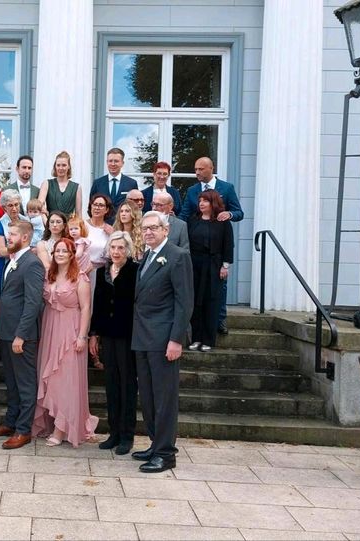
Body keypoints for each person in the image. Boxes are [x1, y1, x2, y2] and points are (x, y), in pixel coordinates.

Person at [132, 211, 194, 473]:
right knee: (148, 397)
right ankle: (156, 443)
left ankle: (166, 453)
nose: (148, 232)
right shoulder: (146, 257)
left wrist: (176, 339)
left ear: (165, 230)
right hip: (143, 338)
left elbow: (184, 302)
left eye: (154, 228)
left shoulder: (178, 257)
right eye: (144, 228)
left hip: (164, 339)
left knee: (165, 398)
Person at [0, 221, 45, 450]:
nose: (8, 237)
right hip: (8, 332)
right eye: (8, 233)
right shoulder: (13, 261)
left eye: (12, 234)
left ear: (26, 237)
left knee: (25, 383)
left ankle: (23, 430)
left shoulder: (32, 264)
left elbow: (33, 302)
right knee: (11, 382)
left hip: (22, 335)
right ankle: (10, 422)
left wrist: (21, 334)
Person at [32, 238, 98, 447]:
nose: (60, 254)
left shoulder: (80, 278)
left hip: (71, 331)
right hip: (50, 328)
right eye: (57, 251)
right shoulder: (49, 275)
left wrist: (82, 336)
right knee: (50, 378)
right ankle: (52, 423)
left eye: (64, 251)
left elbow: (86, 308)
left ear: (72, 254)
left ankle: (62, 429)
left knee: (65, 380)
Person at [178, 156, 244, 335]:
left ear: (211, 169)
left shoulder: (226, 188)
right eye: (195, 169)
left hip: (218, 246)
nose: (197, 172)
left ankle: (220, 320)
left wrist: (229, 214)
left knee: (219, 286)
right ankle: (197, 325)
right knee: (198, 287)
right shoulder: (192, 190)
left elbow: (239, 212)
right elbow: (185, 214)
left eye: (200, 169)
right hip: (197, 248)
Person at [89, 232, 139, 455]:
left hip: (127, 335)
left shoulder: (135, 271)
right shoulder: (102, 272)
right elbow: (98, 303)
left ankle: (127, 435)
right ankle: (114, 433)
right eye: (113, 248)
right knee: (111, 383)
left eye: (120, 248)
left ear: (127, 249)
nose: (116, 252)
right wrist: (94, 333)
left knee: (127, 384)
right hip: (107, 335)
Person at [187, 190, 234, 352]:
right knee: (196, 302)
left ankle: (208, 340)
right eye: (200, 200)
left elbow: (228, 245)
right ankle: (196, 339)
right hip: (195, 265)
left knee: (211, 302)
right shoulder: (193, 220)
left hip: (214, 266)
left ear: (212, 203)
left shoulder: (222, 222)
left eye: (205, 201)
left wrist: (225, 266)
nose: (201, 203)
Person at [0, 190, 29, 282]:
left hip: (27, 265)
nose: (14, 209)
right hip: (7, 265)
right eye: (10, 205)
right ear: (4, 208)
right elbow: (1, 251)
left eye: (16, 204)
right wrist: (23, 254)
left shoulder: (26, 221)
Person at [91, 148, 138, 219]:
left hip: (124, 226)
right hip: (102, 226)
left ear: (122, 163)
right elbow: (91, 206)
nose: (113, 164)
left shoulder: (131, 184)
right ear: (107, 162)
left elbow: (135, 208)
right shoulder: (97, 183)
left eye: (116, 161)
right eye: (110, 161)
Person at [38, 151, 81, 216]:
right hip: (51, 223)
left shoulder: (77, 187)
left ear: (69, 166)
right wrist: (47, 222)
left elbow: (78, 213)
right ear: (55, 166)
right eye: (58, 165)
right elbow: (40, 207)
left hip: (69, 224)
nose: (61, 168)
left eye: (64, 165)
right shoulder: (46, 184)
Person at [85, 193, 114, 279]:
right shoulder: (81, 225)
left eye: (101, 205)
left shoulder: (110, 230)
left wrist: (112, 235)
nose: (97, 208)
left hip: (101, 273)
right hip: (82, 270)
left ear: (107, 209)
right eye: (95, 204)